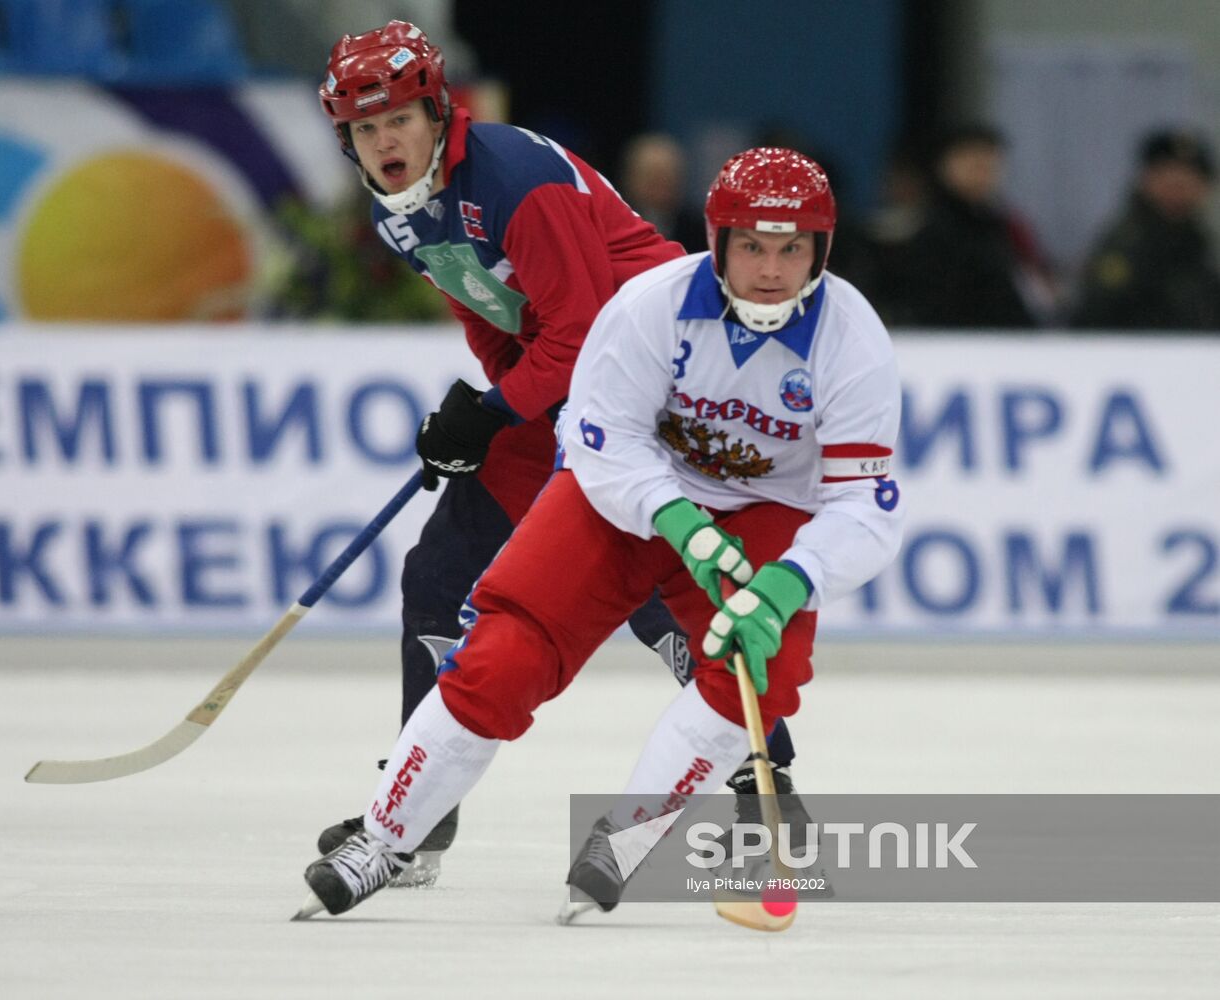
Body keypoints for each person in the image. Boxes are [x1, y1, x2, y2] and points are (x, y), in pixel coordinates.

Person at [297, 147, 905, 920]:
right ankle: (385, 840)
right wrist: (674, 516)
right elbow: (597, 441)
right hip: (628, 501)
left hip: (762, 514)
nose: (771, 269)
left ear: (822, 248)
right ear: (718, 241)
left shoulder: (853, 341)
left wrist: (791, 581)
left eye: (792, 248)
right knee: (505, 651)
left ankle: (621, 844)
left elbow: (865, 504)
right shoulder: (649, 305)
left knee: (758, 667)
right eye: (752, 245)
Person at [312, 22, 799, 885]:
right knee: (436, 577)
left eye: (397, 120)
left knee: (657, 598)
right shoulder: (401, 212)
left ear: (436, 111)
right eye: (362, 129)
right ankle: (417, 818)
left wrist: (495, 410)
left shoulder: (513, 182)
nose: (383, 142)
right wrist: (488, 416)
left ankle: (767, 783)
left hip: (654, 379)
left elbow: (579, 339)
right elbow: (485, 309)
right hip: (568, 387)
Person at [895, 123, 1054, 328]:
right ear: (946, 165)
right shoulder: (935, 232)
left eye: (990, 163)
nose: (983, 172)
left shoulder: (1002, 226)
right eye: (974, 162)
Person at [1070, 129, 1220, 331]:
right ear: (1146, 179)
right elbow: (1095, 313)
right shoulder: (1126, 243)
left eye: (1188, 179)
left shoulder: (1203, 241)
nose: (1178, 188)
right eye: (1168, 177)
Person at [619, 133, 708, 252]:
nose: (661, 185)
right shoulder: (617, 226)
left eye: (668, 176)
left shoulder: (698, 230)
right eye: (652, 177)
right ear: (631, 179)